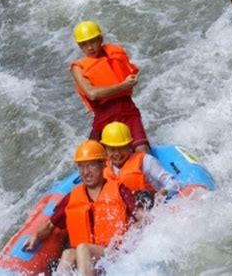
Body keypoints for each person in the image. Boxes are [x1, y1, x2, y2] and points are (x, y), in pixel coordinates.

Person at [24, 140, 142, 276]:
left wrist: (131, 237)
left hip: (113, 253)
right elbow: (51, 225)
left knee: (82, 248)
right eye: (81, 167)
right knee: (68, 253)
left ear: (103, 164)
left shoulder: (120, 190)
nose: (85, 172)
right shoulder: (73, 197)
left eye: (90, 166)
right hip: (86, 259)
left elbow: (141, 217)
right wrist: (36, 236)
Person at [70, 20, 150, 153]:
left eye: (93, 41)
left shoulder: (116, 53)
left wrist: (130, 81)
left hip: (128, 110)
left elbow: (131, 72)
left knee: (142, 149)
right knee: (91, 155)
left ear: (100, 39)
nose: (89, 47)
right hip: (103, 116)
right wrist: (123, 85)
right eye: (84, 44)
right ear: (80, 46)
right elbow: (92, 94)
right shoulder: (78, 68)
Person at [100, 121, 181, 200]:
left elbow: (174, 183)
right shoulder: (102, 169)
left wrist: (164, 192)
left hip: (150, 205)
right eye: (112, 149)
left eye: (121, 148)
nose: (117, 153)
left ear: (129, 145)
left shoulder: (146, 161)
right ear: (105, 150)